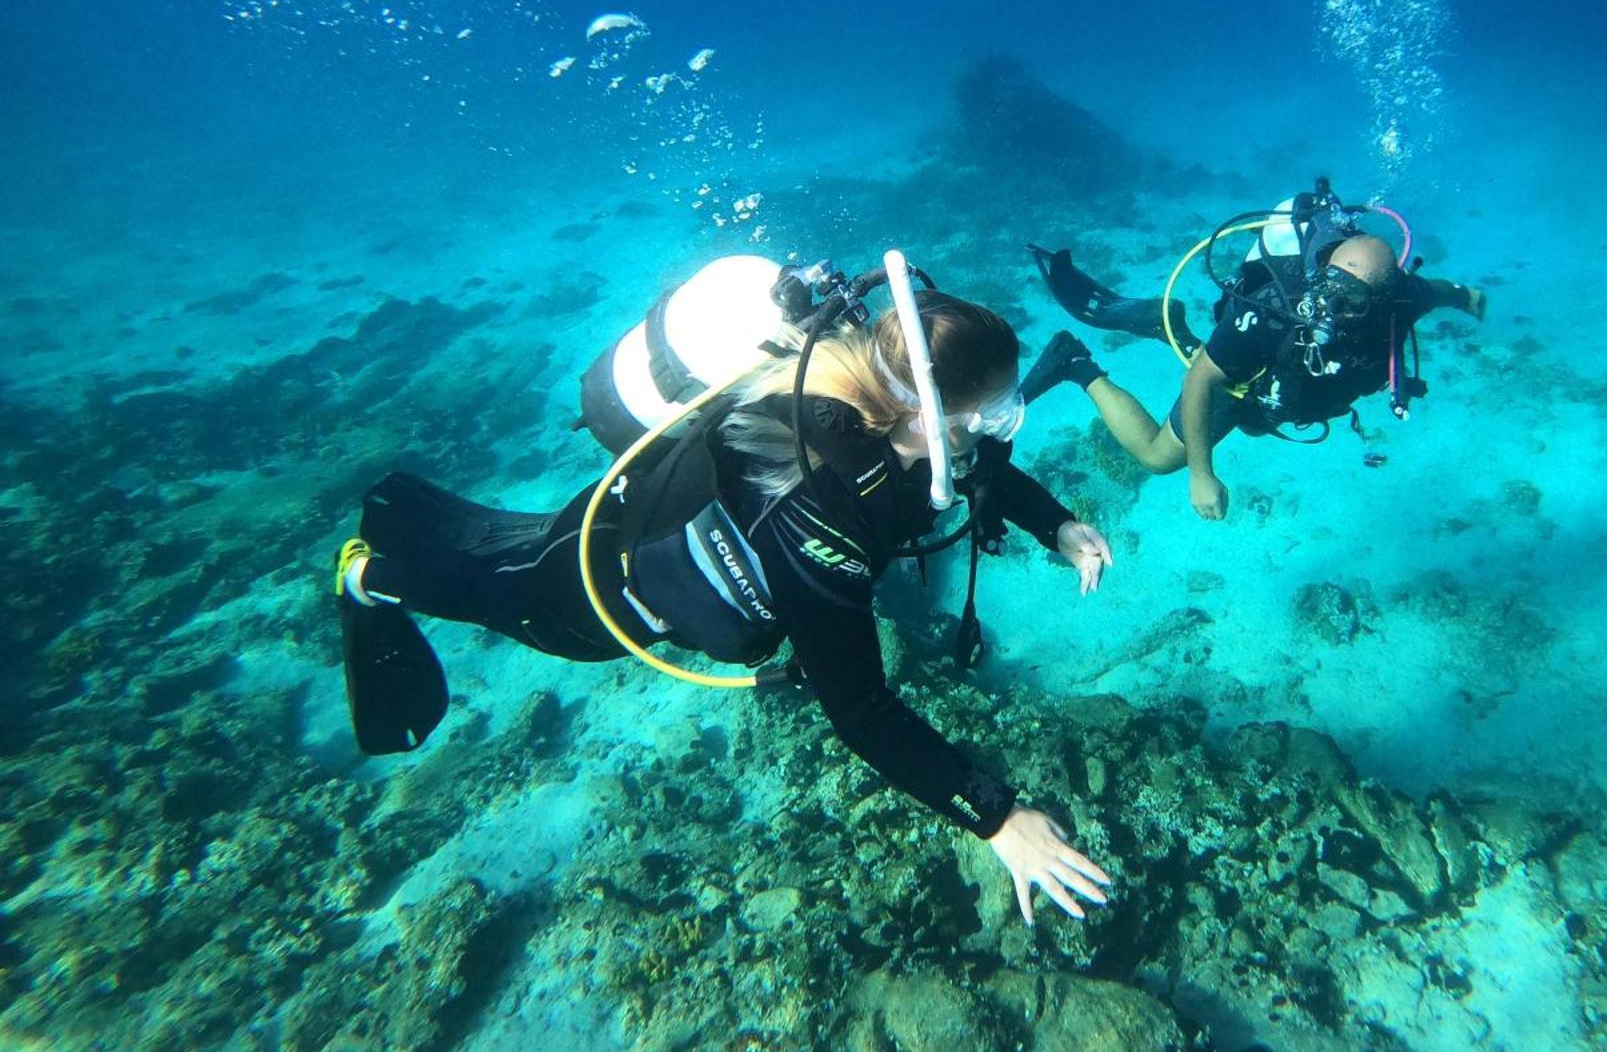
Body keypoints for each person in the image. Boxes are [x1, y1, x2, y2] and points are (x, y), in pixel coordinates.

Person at [333, 277, 1118, 923]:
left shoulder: (887, 405)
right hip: (608, 590)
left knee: (519, 548)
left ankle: (421, 534)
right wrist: (996, 817)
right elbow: (859, 706)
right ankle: (371, 579)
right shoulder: (815, 503)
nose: (1001, 429)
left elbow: (974, 467)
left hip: (640, 508)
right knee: (515, 601)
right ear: (920, 412)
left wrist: (1057, 525)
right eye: (991, 415)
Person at [1021, 181, 1487, 522]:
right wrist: (1201, 476)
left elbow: (1440, 290)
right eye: (1329, 288)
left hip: (1278, 392)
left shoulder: (1402, 300)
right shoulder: (1273, 313)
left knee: (1245, 387)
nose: (1329, 309)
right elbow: (1202, 380)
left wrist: (1469, 298)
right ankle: (1076, 363)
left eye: (1353, 302)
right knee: (1158, 457)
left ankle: (1165, 326)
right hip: (1247, 385)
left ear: (1385, 299)